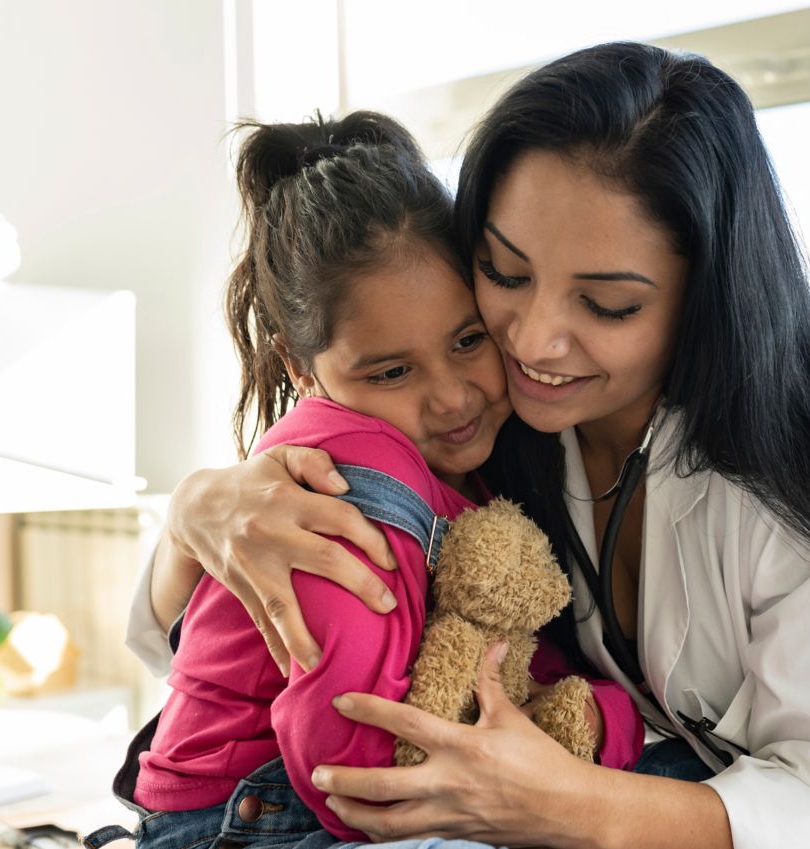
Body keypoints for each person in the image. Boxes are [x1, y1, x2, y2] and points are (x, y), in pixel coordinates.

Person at [128, 43, 810, 849]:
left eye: (608, 304)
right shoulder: (491, 425)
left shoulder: (807, 453)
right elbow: (206, 658)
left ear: (707, 292)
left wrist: (557, 800)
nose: (532, 341)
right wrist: (194, 516)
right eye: (503, 274)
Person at [101, 111, 640, 849]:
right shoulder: (347, 473)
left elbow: (510, 649)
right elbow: (350, 758)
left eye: (467, 339)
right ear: (301, 368)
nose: (451, 395)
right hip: (256, 816)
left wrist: (596, 721)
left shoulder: (471, 467)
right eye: (391, 370)